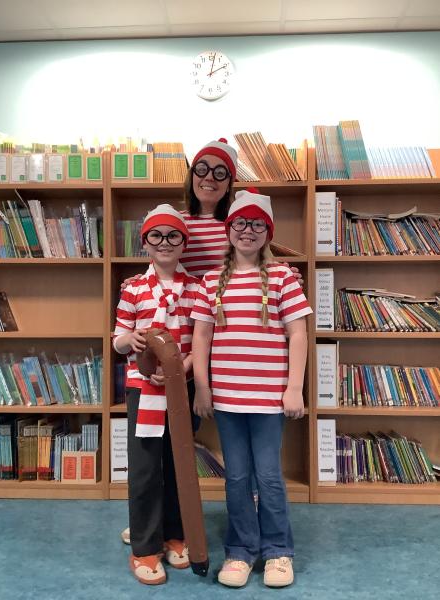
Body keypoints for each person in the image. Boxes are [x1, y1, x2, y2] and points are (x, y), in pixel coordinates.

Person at [119, 138, 303, 544]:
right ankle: (151, 520)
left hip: (222, 347)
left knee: (186, 444)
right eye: (202, 169)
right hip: (181, 337)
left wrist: (288, 272)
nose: (209, 178)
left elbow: (262, 255)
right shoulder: (178, 221)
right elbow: (161, 259)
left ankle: (199, 522)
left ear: (230, 182)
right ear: (191, 175)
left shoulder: (236, 221)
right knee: (156, 444)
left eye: (221, 173)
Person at [191, 188, 313, 588]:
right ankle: (240, 551)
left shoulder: (282, 278)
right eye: (240, 223)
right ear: (229, 229)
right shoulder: (211, 281)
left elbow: (298, 334)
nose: (247, 230)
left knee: (269, 476)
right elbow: (201, 337)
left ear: (268, 232)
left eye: (257, 224)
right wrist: (202, 388)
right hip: (227, 399)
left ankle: (278, 551)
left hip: (269, 400)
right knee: (237, 478)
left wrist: (294, 387)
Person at [113, 204, 200, 585]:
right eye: (156, 235)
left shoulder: (197, 288)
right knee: (145, 468)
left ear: (184, 242)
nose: (165, 242)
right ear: (145, 242)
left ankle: (175, 534)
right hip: (143, 389)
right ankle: (144, 547)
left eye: (173, 235)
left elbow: (200, 342)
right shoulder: (132, 288)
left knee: (178, 464)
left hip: (182, 387)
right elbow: (117, 339)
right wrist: (128, 340)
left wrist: (182, 369)